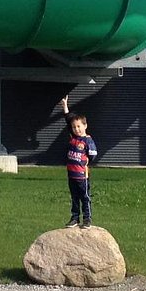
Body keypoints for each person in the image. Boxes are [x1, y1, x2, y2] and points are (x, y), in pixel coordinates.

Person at [55, 97, 98, 228]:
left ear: (85, 126)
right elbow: (68, 120)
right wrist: (65, 107)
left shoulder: (87, 140)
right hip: (71, 175)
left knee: (85, 197)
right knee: (74, 197)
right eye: (74, 127)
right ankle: (75, 218)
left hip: (82, 176)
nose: (76, 129)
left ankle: (87, 218)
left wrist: (86, 161)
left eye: (79, 126)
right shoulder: (73, 138)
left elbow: (93, 155)